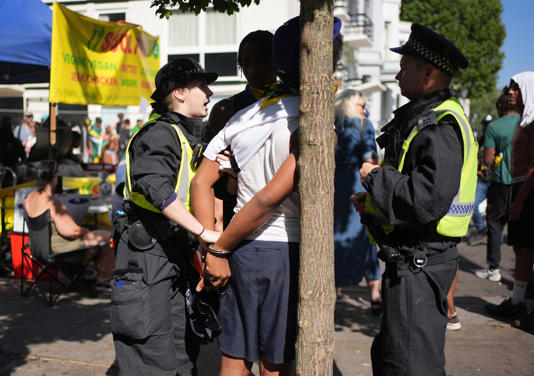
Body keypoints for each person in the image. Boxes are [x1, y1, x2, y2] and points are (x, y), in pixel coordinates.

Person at [191, 16, 343, 376]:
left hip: (241, 251)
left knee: (234, 357)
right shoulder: (315, 124)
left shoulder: (240, 117)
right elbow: (268, 198)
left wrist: (209, 242)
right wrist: (218, 248)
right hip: (282, 251)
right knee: (274, 364)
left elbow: (200, 183)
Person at [356, 24, 476, 375]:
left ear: (429, 72)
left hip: (420, 263)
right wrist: (375, 206)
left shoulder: (440, 125)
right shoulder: (431, 117)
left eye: (404, 66)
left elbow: (425, 200)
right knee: (397, 356)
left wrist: (374, 177)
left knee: (410, 364)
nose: (397, 75)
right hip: (416, 260)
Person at [110, 57, 220, 376]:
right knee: (151, 356)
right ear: (181, 92)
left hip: (169, 252)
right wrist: (203, 231)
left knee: (181, 353)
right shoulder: (159, 133)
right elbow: (156, 188)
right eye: (202, 86)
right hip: (148, 256)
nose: (209, 93)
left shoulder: (180, 134)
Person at [207, 30, 278, 230]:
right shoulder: (224, 110)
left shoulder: (292, 103)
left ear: (276, 62)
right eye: (245, 64)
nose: (252, 70)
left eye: (260, 62)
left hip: (284, 213)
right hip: (238, 210)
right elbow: (212, 177)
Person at [485, 71, 534, 330]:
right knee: (520, 248)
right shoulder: (524, 121)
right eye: (511, 88)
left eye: (517, 88)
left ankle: (521, 303)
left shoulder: (533, 121)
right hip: (517, 188)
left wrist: (520, 200)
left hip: (527, 191)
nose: (511, 92)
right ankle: (518, 300)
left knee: (526, 249)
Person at [23, 160, 115, 281]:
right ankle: (101, 278)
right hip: (60, 251)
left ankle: (78, 274)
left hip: (38, 249)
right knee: (110, 237)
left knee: (97, 236)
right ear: (54, 178)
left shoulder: (29, 198)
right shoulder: (52, 202)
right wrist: (85, 231)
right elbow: (72, 232)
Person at [333, 89, 381, 314]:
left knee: (333, 239)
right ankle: (375, 296)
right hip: (357, 185)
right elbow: (370, 161)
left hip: (331, 186)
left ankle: (334, 294)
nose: (365, 109)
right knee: (367, 235)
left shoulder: (330, 124)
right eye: (362, 104)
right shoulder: (364, 126)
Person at [474, 89, 520, 281]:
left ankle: (494, 268)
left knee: (494, 224)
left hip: (501, 181)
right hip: (522, 181)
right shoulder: (526, 122)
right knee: (521, 229)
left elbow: (488, 158)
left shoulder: (494, 126)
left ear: (500, 107)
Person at [466, 114, 493, 245]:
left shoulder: (498, 140)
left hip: (496, 182)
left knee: (495, 214)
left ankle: (495, 240)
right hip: (482, 181)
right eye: (485, 124)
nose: (486, 127)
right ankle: (482, 230)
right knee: (473, 206)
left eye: (488, 125)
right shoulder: (480, 141)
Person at [0, 116, 26, 187]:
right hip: (12, 173)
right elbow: (23, 157)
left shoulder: (15, 142)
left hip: (12, 174)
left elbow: (23, 157)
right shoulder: (16, 142)